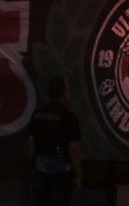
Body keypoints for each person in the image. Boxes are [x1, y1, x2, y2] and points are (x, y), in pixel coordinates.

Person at [28, 77, 82, 206]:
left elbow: (31, 142)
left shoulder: (37, 113)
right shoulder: (69, 117)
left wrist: (34, 163)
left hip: (40, 172)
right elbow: (74, 149)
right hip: (61, 174)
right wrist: (78, 176)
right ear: (64, 93)